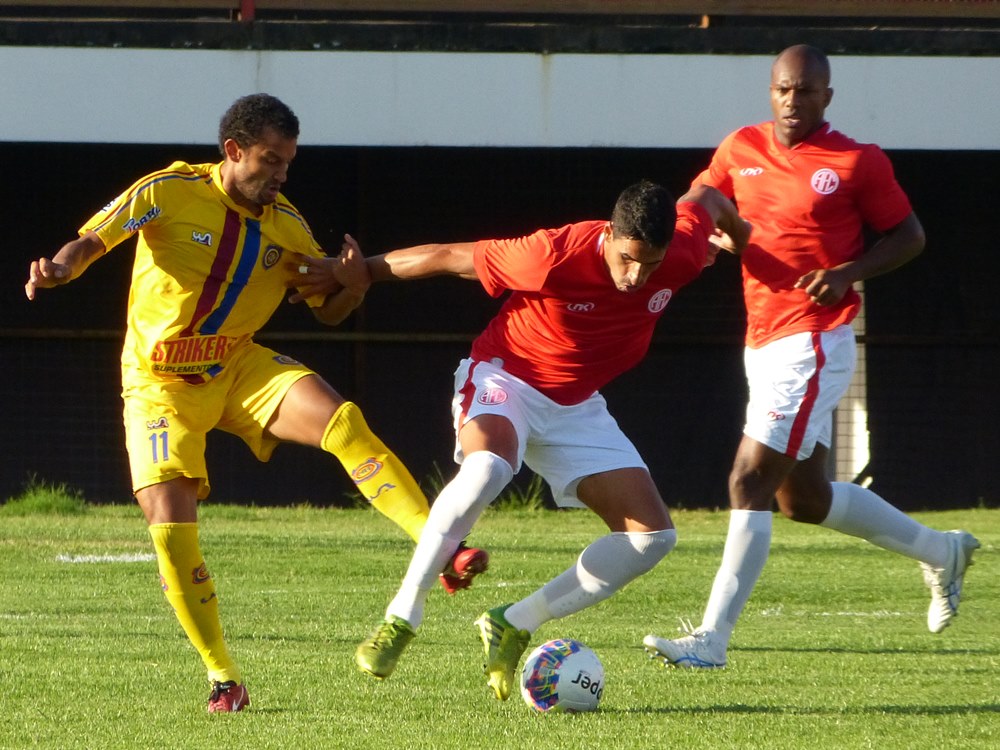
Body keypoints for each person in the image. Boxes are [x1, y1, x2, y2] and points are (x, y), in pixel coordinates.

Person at [23, 93, 486, 713]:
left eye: (288, 163)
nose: (280, 175)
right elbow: (92, 243)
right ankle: (223, 677)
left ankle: (443, 551)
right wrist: (57, 270)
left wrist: (348, 284)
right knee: (169, 527)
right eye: (270, 160)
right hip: (160, 383)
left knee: (342, 422)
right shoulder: (166, 190)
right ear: (234, 150)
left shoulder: (287, 227)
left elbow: (327, 310)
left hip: (236, 365)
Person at [294, 179, 751, 700]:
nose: (636, 276)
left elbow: (708, 196)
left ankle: (512, 622)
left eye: (650, 265)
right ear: (609, 234)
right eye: (627, 259)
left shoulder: (687, 250)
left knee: (653, 539)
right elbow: (448, 256)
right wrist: (363, 271)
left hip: (577, 405)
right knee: (488, 469)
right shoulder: (551, 255)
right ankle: (402, 614)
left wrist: (739, 233)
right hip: (505, 379)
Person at [642, 45, 979, 670]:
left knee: (748, 480)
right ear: (770, 92)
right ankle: (941, 550)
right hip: (762, 339)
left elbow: (910, 236)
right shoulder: (741, 147)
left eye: (805, 91)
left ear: (828, 95)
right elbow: (703, 193)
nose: (792, 102)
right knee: (805, 500)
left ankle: (711, 641)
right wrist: (700, 225)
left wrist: (849, 271)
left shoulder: (857, 161)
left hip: (813, 342)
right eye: (782, 91)